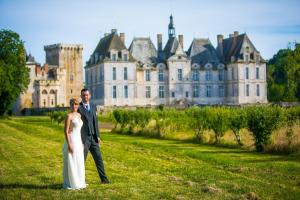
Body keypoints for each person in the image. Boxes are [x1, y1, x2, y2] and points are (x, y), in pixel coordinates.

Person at [78, 88, 109, 184]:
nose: (85, 97)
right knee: (82, 160)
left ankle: (104, 179)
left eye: (87, 95)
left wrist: (98, 136)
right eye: (83, 95)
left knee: (99, 159)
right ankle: (81, 180)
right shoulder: (78, 108)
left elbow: (95, 122)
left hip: (94, 138)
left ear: (89, 96)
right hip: (84, 139)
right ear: (81, 96)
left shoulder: (93, 106)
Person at [62, 98, 86, 189]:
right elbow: (66, 131)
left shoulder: (79, 115)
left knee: (79, 161)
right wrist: (69, 144)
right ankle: (71, 183)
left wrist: (82, 142)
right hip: (71, 140)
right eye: (72, 104)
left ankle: (79, 181)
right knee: (72, 161)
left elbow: (79, 129)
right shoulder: (69, 116)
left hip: (78, 140)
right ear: (70, 105)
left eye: (76, 104)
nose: (74, 106)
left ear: (78, 105)